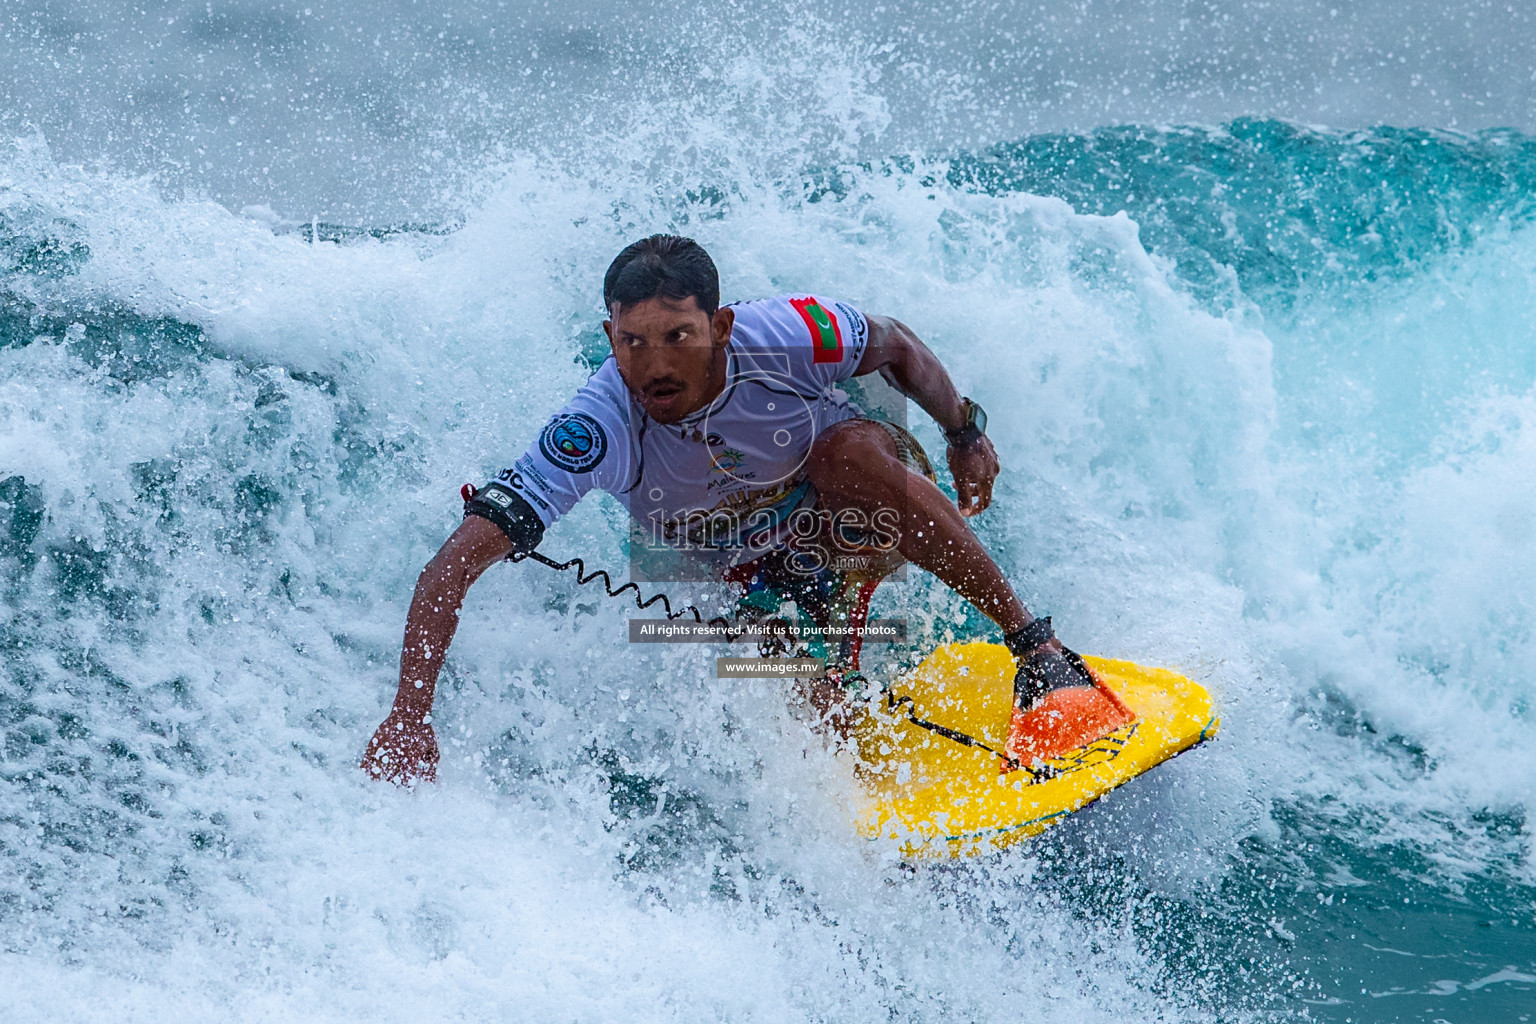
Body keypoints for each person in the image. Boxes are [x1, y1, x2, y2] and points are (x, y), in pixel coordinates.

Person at [362, 234, 1096, 784]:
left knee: (847, 454)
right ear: (609, 338)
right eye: (632, 342)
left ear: (720, 326)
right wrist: (408, 716)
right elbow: (450, 568)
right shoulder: (597, 426)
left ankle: (1037, 649)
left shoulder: (783, 334)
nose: (654, 364)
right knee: (818, 733)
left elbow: (896, 344)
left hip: (861, 505)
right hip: (759, 572)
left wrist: (964, 431)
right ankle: (857, 740)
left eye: (677, 337)